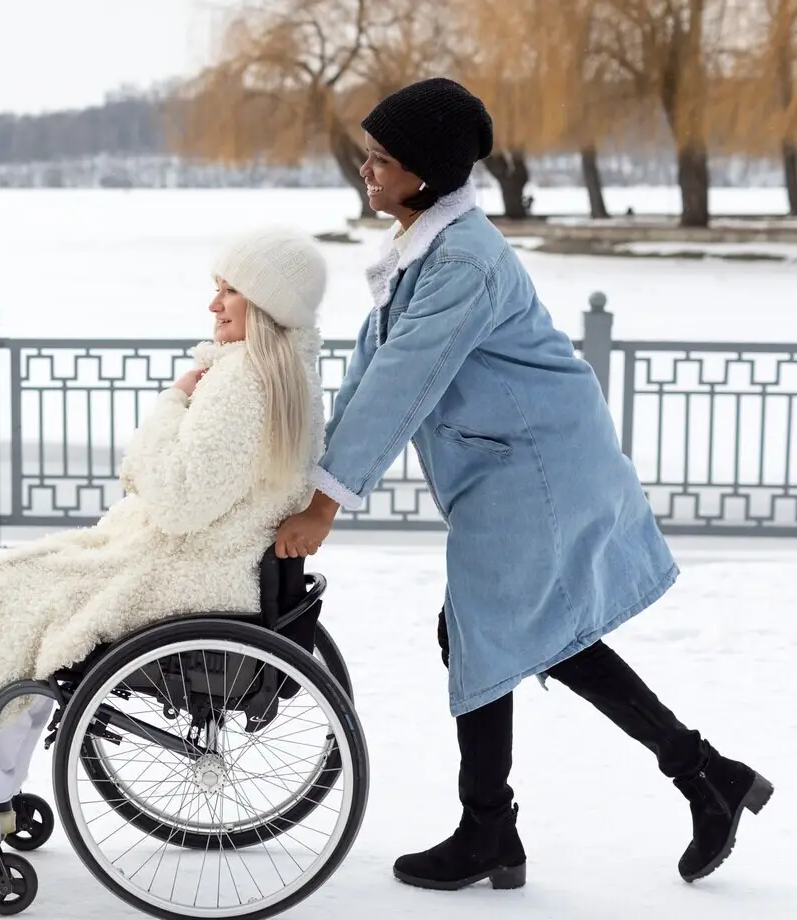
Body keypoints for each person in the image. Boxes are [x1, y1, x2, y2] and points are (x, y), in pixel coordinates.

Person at [275, 78, 773, 890]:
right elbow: (372, 368)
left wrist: (327, 501)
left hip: (535, 468)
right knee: (513, 636)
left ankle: (492, 830)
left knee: (485, 634)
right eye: (368, 153)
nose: (366, 168)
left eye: (383, 158)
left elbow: (406, 379)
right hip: (514, 463)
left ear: (427, 176)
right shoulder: (420, 252)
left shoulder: (464, 261)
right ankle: (697, 774)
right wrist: (304, 471)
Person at [0, 227, 330, 837]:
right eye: (216, 290)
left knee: (17, 600)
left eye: (229, 292)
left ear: (268, 306)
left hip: (186, 568)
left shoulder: (243, 385)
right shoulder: (272, 375)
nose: (214, 305)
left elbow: (176, 498)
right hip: (209, 559)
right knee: (14, 588)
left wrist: (170, 404)